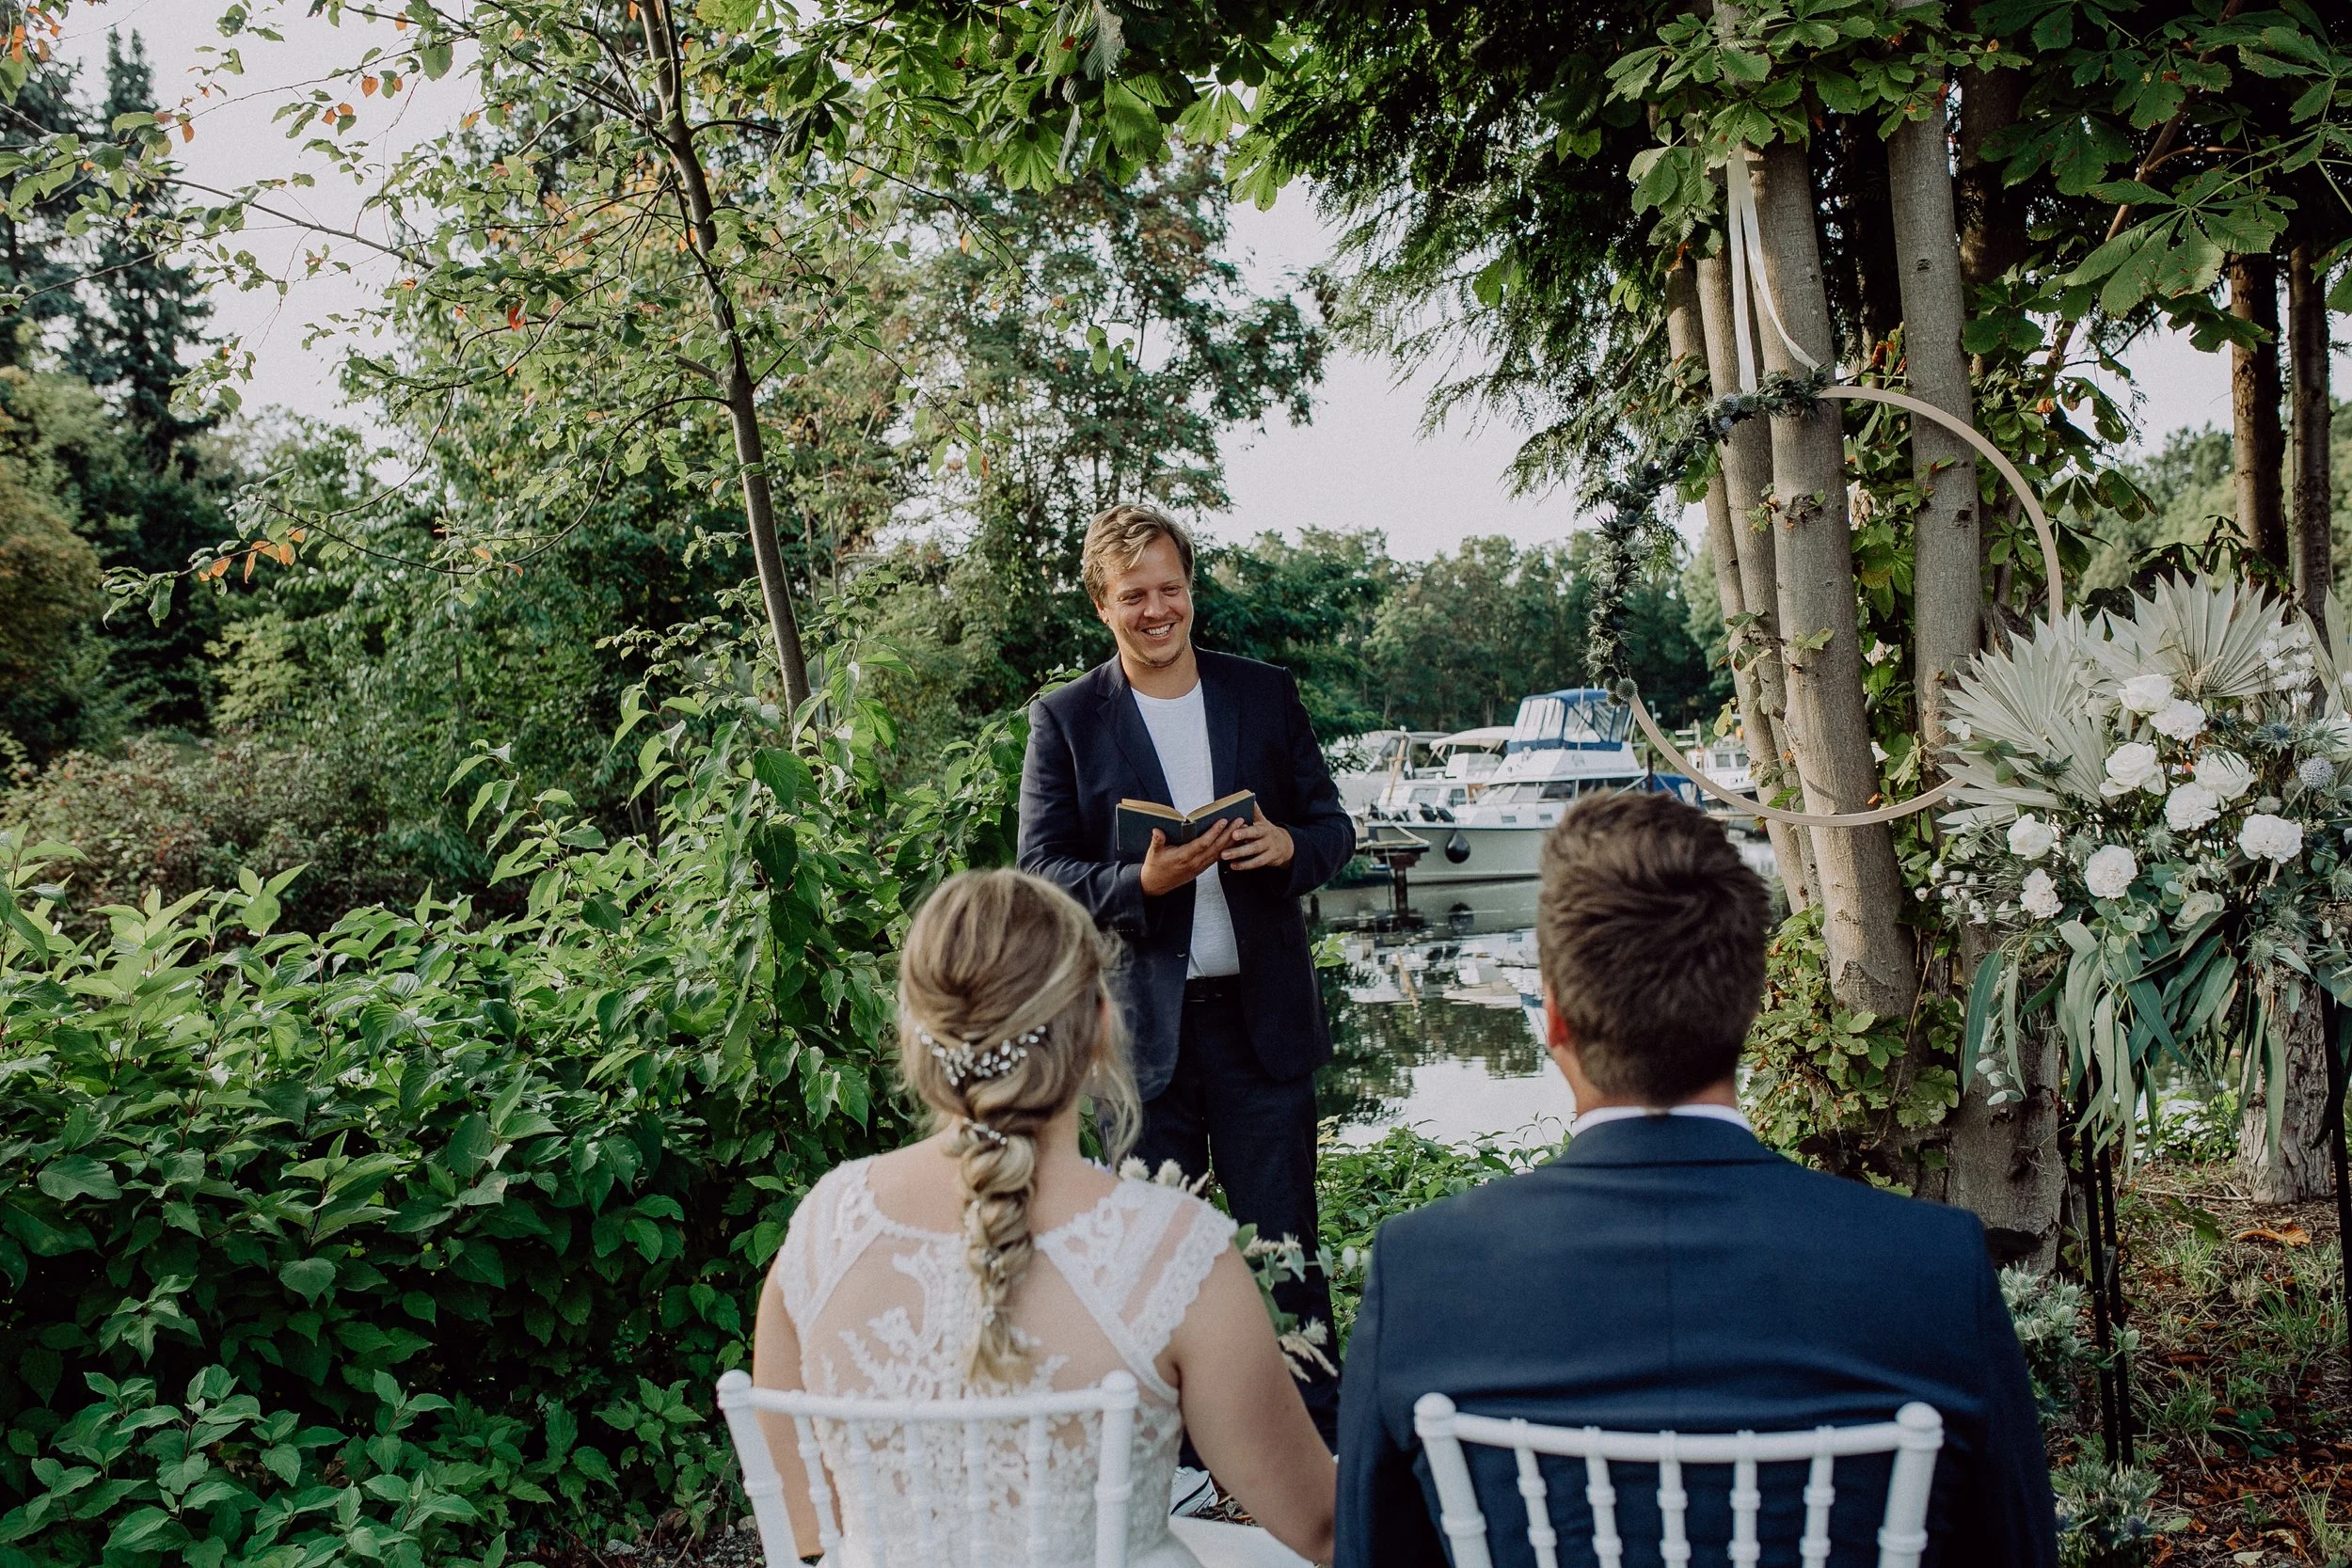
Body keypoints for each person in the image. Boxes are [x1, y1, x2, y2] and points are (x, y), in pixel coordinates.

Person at [1335, 791, 2058, 1568]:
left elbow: (1372, 1552)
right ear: (1747, 1009)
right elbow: (2017, 1551)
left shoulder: (1423, 1268)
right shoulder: (1932, 1263)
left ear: (1555, 1021)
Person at [753, 869, 1335, 1568]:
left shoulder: (822, 1234)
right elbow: (1324, 1528)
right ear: (1099, 1023)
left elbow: (805, 1534)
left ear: (914, 1034)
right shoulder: (1177, 1255)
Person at [1018, 502, 1356, 1444]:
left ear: (1190, 590)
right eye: (1134, 595)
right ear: (1102, 606)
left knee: (1287, 1254)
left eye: (1169, 588)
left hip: (1265, 1029)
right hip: (1140, 1040)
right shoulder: (1066, 718)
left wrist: (1291, 843)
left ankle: (1317, 1460)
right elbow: (1039, 871)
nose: (1156, 608)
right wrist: (1140, 880)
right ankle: (1172, 1466)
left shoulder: (1263, 692)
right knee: (1145, 1261)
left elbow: (1334, 829)